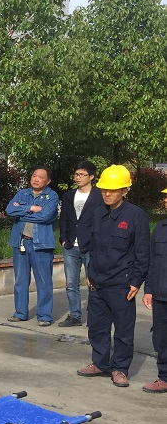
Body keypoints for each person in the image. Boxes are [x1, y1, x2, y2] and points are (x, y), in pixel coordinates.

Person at [77, 165, 149, 387]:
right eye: (104, 189)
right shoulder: (98, 213)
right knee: (97, 327)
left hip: (122, 284)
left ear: (124, 190)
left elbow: (142, 253)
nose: (107, 194)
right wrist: (90, 272)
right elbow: (93, 247)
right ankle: (100, 363)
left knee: (123, 331)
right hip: (97, 282)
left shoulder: (136, 216)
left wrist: (136, 281)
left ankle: (119, 368)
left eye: (113, 190)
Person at [6, 167, 59, 326]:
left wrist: (21, 214)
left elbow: (46, 217)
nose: (36, 179)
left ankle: (44, 316)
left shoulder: (52, 196)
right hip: (21, 242)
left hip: (41, 244)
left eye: (40, 177)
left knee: (44, 281)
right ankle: (20, 313)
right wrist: (30, 208)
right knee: (20, 280)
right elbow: (9, 210)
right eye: (34, 175)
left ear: (48, 181)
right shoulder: (22, 194)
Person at [57, 161, 103, 327]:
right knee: (71, 284)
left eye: (82, 174)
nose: (78, 177)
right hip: (70, 245)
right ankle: (75, 316)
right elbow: (64, 219)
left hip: (91, 246)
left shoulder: (99, 196)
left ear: (91, 177)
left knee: (94, 283)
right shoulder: (69, 196)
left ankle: (95, 316)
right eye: (76, 174)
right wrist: (63, 238)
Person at [142, 187, 167, 393]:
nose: (165, 201)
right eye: (165, 197)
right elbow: (151, 262)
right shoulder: (160, 228)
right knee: (161, 339)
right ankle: (164, 378)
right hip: (160, 295)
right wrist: (148, 289)